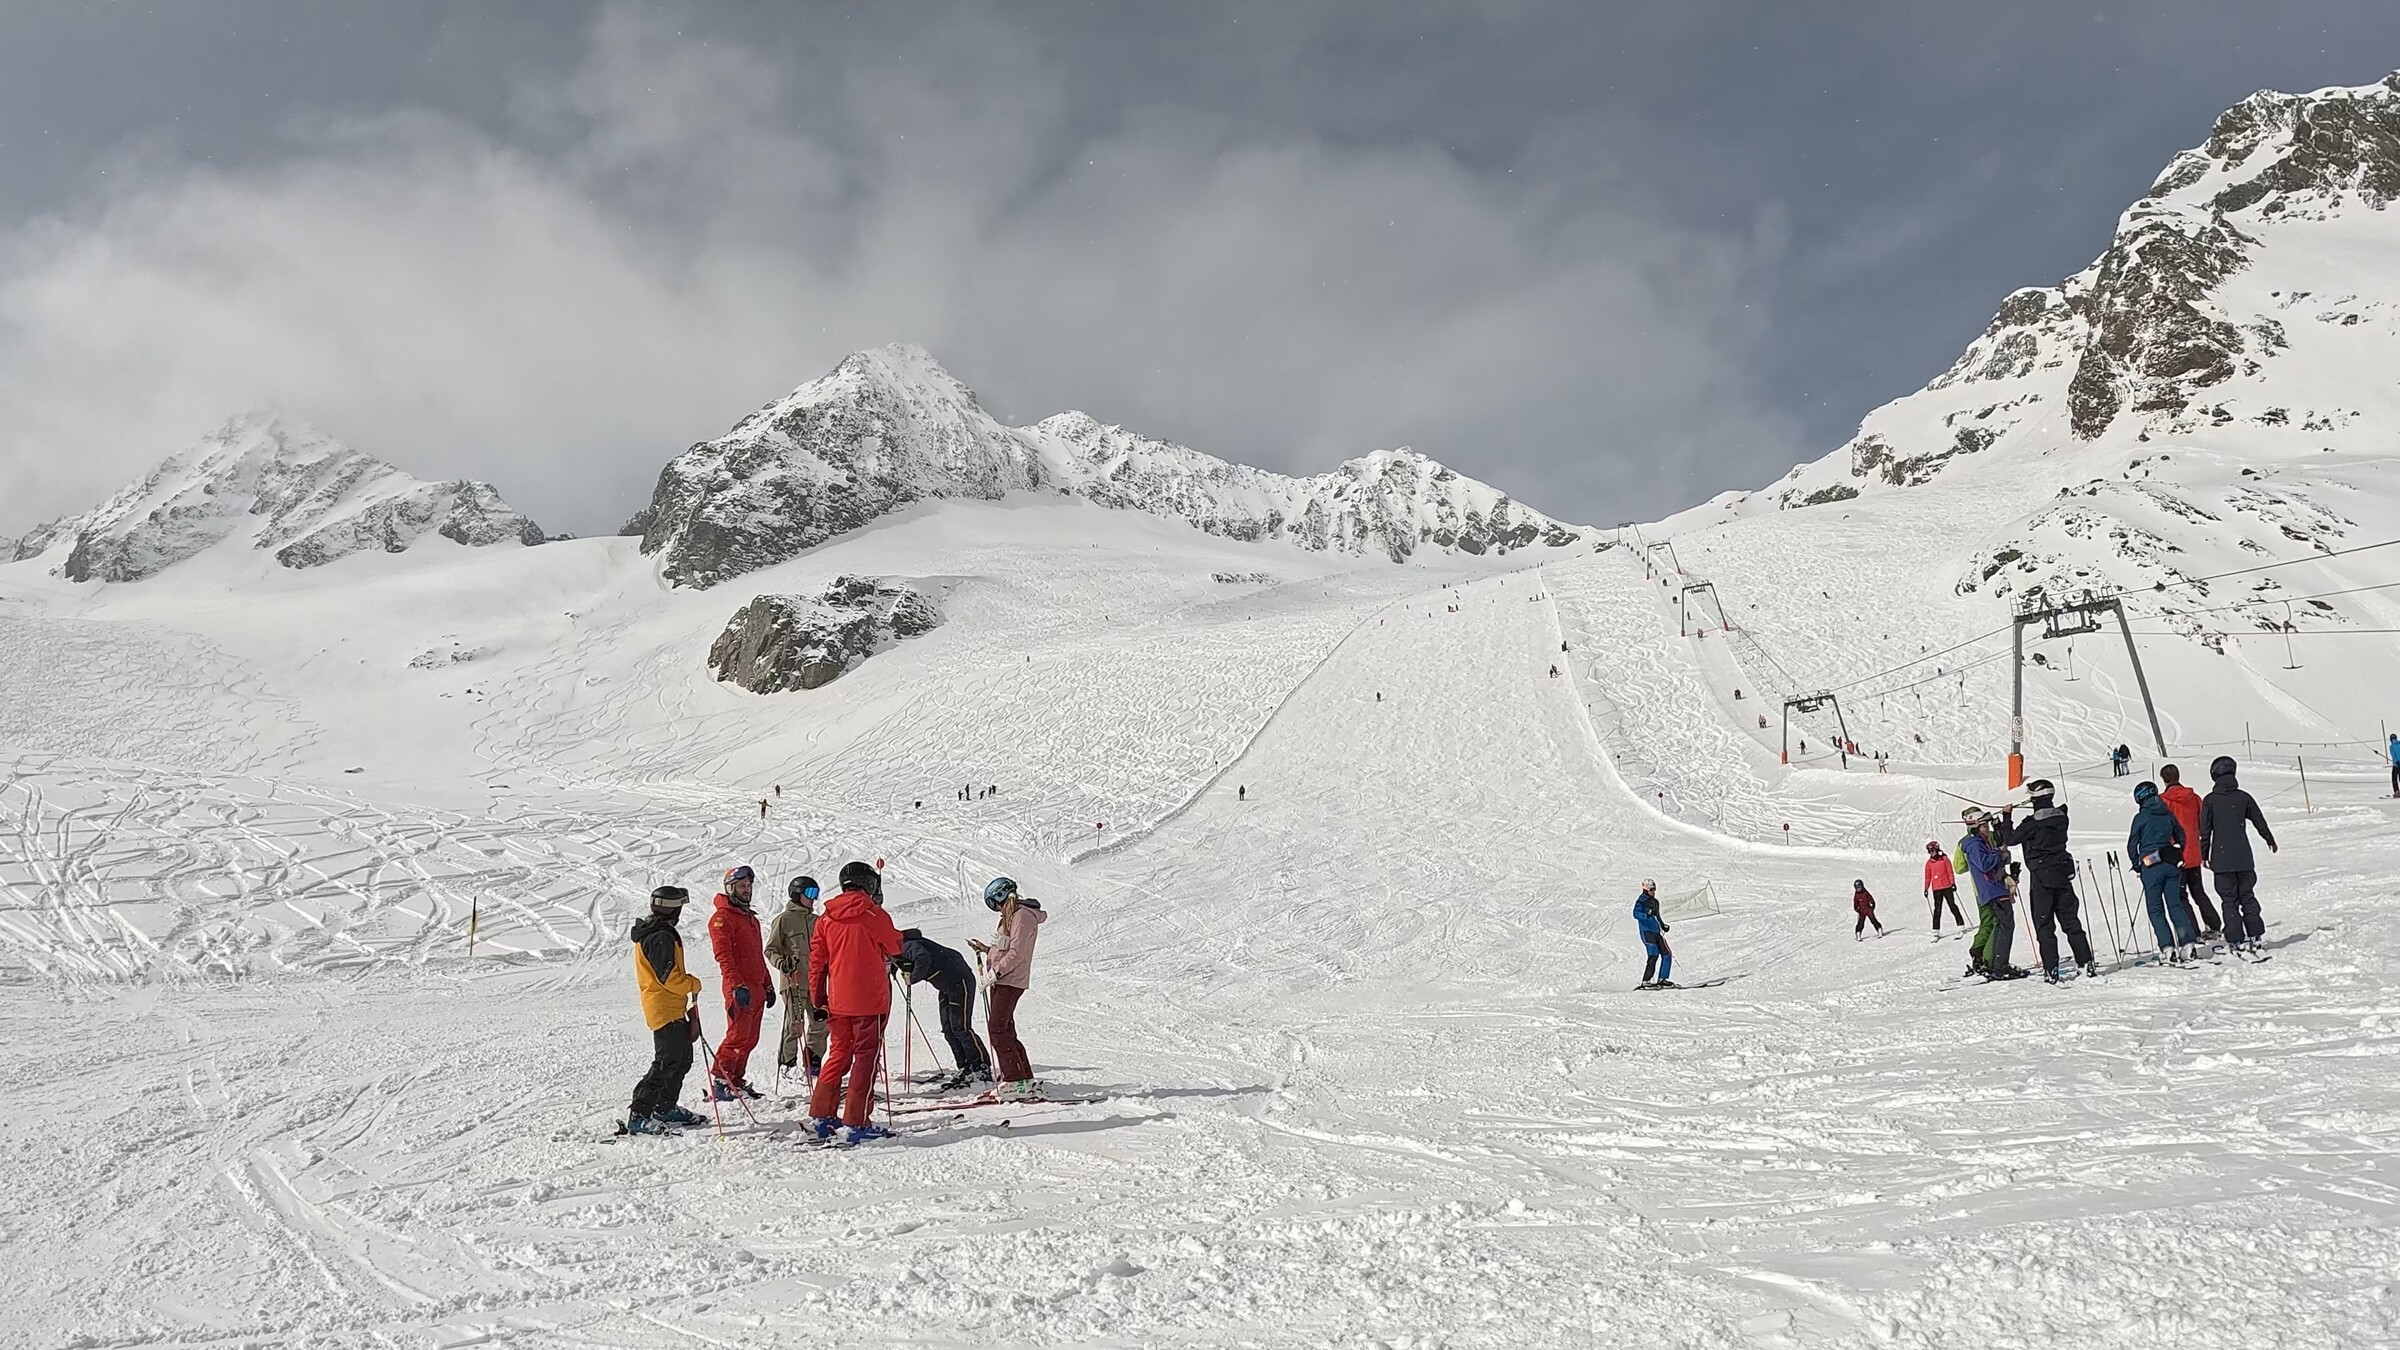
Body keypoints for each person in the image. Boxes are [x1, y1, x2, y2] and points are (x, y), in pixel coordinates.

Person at [807, 861, 904, 1143]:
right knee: (865, 1060)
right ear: (869, 884)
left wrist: (818, 998)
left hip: (838, 1001)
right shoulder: (873, 914)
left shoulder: (826, 918)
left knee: (838, 1054)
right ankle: (856, 1121)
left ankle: (822, 1115)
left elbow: (817, 962)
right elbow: (895, 947)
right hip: (870, 1002)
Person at [626, 885, 710, 1135]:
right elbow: (669, 978)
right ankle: (639, 1114)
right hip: (663, 1007)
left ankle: (664, 1107)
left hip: (671, 1006)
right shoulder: (659, 936)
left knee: (682, 1059)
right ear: (674, 910)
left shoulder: (657, 932)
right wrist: (692, 984)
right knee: (666, 1061)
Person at [1999, 780, 2099, 982]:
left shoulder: (2032, 824)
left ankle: (2051, 969)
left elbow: (2010, 839)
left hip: (2041, 878)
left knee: (2044, 925)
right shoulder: (2062, 817)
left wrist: (2006, 817)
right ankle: (2086, 962)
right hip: (2062, 874)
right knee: (2071, 922)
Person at [970, 876, 1049, 1100]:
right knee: (1005, 1030)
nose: (997, 909)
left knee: (997, 1030)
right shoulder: (1013, 915)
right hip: (1003, 979)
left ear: (1000, 896)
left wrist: (995, 973)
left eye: (995, 904)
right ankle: (1023, 1078)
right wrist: (987, 950)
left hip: (1009, 980)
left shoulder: (1022, 916)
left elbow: (1017, 953)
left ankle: (1014, 1080)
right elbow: (1006, 949)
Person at [2199, 756, 2278, 956]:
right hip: (2243, 857)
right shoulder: (2244, 797)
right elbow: (2259, 821)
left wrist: (2203, 854)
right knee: (2247, 897)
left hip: (2221, 859)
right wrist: (2269, 839)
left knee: (2229, 901)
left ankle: (2235, 939)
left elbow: (2205, 831)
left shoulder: (2210, 800)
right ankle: (2255, 936)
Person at [898, 926, 992, 1090]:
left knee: (960, 1028)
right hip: (946, 984)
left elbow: (922, 958)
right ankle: (965, 1066)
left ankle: (981, 1066)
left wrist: (912, 979)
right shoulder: (900, 946)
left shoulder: (906, 945)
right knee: (948, 1029)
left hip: (959, 981)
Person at [706, 865, 772, 1100]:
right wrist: (736, 985)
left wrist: (767, 983)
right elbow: (723, 956)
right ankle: (721, 1080)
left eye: (748, 886)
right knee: (737, 1035)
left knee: (750, 1038)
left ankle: (735, 1079)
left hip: (756, 986)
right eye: (742, 886)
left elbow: (757, 955)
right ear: (730, 888)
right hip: (740, 986)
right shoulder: (722, 918)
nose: (747, 890)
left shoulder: (750, 919)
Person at [764, 875, 829, 1084]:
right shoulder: (784, 920)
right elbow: (771, 949)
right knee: (795, 1023)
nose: (813, 898)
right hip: (794, 980)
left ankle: (813, 1061)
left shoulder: (817, 921)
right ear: (796, 894)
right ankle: (787, 1064)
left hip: (816, 982)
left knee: (821, 1022)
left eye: (816, 894)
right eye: (810, 893)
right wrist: (782, 963)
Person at [2127, 781, 2201, 962]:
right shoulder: (2167, 813)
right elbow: (2181, 835)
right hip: (2170, 862)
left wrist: (2137, 864)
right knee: (2175, 905)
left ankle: (2167, 948)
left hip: (2151, 865)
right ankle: (2187, 944)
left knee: (2155, 909)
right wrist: (2177, 851)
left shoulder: (2141, 817)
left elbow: (2132, 845)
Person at [2157, 765, 2223, 939]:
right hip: (2194, 851)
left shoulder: (2163, 800)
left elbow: (2163, 827)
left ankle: (2193, 932)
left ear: (2164, 779)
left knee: (2180, 896)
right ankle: (2214, 924)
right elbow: (2203, 822)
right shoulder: (2193, 798)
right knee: (2198, 891)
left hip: (2176, 854)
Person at [1962, 808, 2024, 980]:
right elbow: (1984, 864)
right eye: (1984, 825)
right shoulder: (1974, 844)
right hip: (1992, 890)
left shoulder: (1982, 842)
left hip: (1994, 888)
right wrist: (1998, 854)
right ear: (1976, 827)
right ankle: (2000, 965)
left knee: (2002, 925)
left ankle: (1996, 964)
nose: (1987, 828)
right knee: (2006, 925)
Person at [1632, 879, 1676, 989]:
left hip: (1656, 932)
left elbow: (1657, 916)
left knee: (1667, 954)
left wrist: (1662, 925)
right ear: (1645, 890)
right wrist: (1646, 914)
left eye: (1654, 889)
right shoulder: (1641, 901)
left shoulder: (1655, 902)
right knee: (1653, 954)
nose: (1653, 892)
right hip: (1647, 932)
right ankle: (1646, 980)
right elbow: (1636, 914)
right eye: (1651, 890)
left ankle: (1662, 979)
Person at [1922, 840, 1966, 936]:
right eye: (1929, 851)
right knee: (1937, 909)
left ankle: (1961, 925)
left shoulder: (1944, 859)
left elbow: (1950, 872)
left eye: (1932, 851)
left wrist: (1953, 883)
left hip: (1947, 887)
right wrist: (1926, 888)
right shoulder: (1929, 863)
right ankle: (1935, 930)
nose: (1931, 853)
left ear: (1937, 850)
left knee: (1952, 906)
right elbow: (1928, 876)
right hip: (1936, 889)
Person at [2389, 733, 2399, 797]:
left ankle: (2397, 792)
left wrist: (2397, 762)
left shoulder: (2392, 747)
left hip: (2396, 765)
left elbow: (2394, 756)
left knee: (2394, 779)